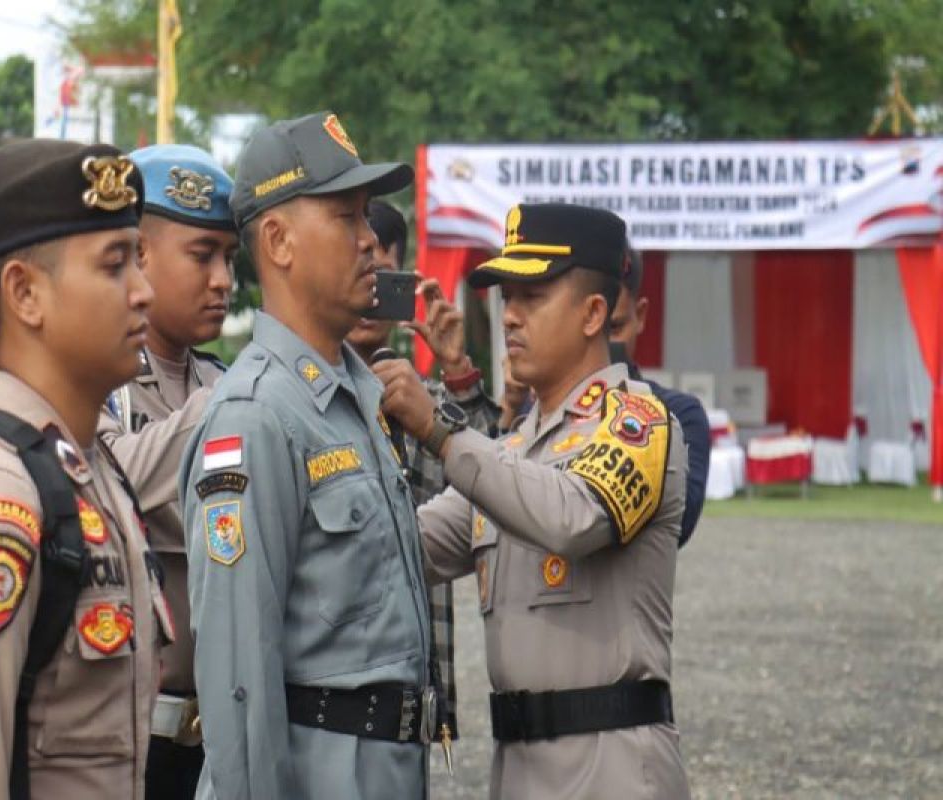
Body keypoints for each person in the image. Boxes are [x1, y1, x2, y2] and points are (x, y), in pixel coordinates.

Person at [376, 203, 691, 799]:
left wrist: (439, 430)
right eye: (506, 297)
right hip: (516, 768)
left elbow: (571, 517)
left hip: (613, 766)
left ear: (594, 312)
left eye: (533, 296)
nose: (510, 316)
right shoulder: (511, 449)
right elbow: (403, 546)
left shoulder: (639, 423)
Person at [0, 139, 168, 800]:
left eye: (139, 260)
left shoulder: (92, 472)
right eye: (114, 265)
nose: (144, 292)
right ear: (25, 293)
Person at [179, 111, 431, 800]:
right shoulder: (256, 415)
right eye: (346, 219)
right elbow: (238, 670)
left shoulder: (354, 396)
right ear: (280, 242)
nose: (370, 245)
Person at [98, 144, 237, 799]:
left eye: (230, 259)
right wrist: (234, 404)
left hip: (223, 741)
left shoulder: (222, 379)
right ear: (140, 256)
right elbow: (113, 479)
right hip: (133, 745)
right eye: (202, 255)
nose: (224, 280)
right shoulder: (103, 383)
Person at [344, 198, 500, 750]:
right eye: (356, 269)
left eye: (384, 276)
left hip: (413, 677)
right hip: (333, 679)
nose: (368, 290)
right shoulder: (301, 394)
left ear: (406, 281)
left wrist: (457, 369)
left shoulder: (427, 401)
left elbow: (500, 490)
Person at [610, 248, 710, 547]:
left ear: (640, 316)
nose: (601, 344)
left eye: (614, 328)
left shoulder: (679, 414)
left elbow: (680, 524)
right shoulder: (539, 407)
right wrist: (511, 410)